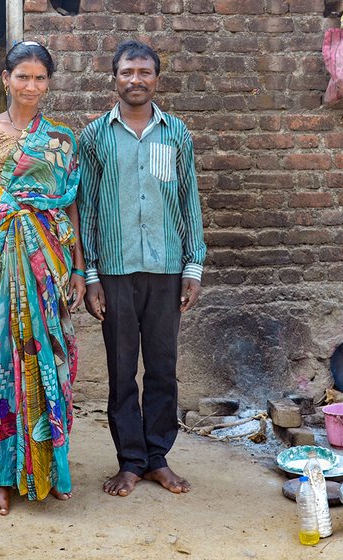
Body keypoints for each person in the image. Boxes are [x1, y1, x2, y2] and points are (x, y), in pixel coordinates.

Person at [78, 40, 206, 498]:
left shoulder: (176, 135)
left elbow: (188, 200)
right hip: (114, 269)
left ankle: (157, 458)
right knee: (120, 369)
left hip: (167, 266)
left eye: (144, 72)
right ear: (113, 77)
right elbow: (86, 209)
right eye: (127, 71)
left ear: (157, 78)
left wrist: (193, 265)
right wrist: (90, 275)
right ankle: (129, 461)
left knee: (163, 368)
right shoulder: (93, 137)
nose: (136, 79)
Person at [0, 41, 85, 515]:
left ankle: (48, 466)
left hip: (50, 261)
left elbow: (70, 204)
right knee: (1, 362)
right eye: (23, 77)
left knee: (51, 359)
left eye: (40, 78)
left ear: (48, 83)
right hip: (4, 257)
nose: (31, 86)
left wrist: (76, 267)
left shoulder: (62, 139)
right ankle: (0, 476)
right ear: (6, 78)